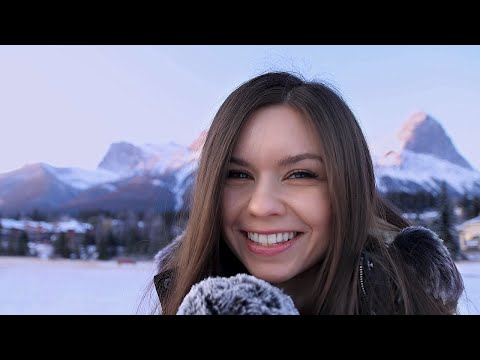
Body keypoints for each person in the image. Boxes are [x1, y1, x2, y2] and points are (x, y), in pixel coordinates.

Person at [151, 71, 464, 315]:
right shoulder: (184, 292)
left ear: (348, 188)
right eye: (237, 174)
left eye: (300, 174)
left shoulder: (411, 300)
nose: (261, 206)